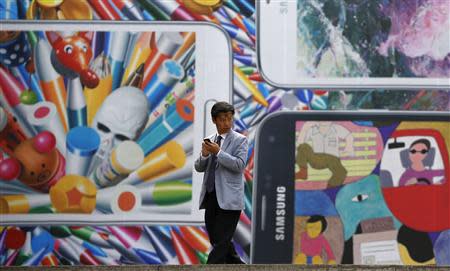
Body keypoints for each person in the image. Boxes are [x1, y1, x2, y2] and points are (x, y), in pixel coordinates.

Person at [194, 101, 248, 264]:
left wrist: (219, 152)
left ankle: (210, 266)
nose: (226, 123)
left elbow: (239, 165)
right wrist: (204, 155)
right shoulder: (210, 139)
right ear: (214, 120)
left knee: (222, 240)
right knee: (217, 239)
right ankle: (237, 265)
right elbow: (199, 167)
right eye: (222, 119)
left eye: (229, 119)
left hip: (230, 197)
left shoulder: (240, 140)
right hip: (211, 195)